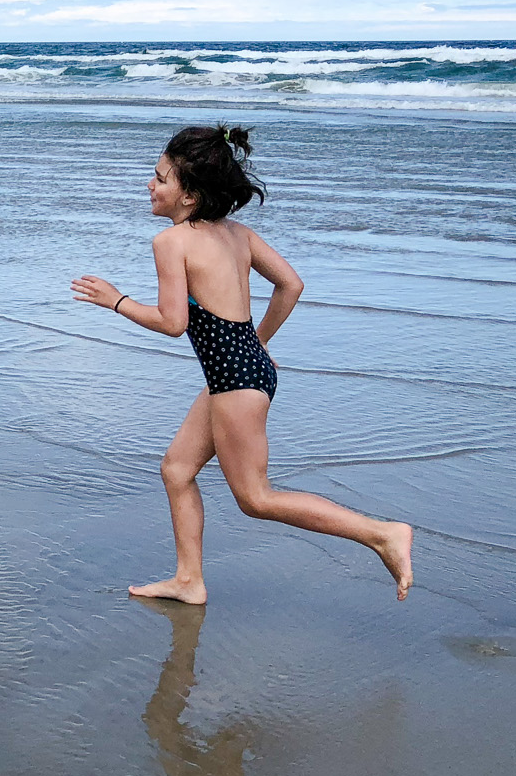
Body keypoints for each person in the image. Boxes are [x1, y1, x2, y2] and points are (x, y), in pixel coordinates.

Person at [71, 125, 413, 604]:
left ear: (188, 195)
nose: (150, 185)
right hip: (245, 371)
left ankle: (382, 534)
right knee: (176, 469)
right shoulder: (239, 234)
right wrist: (258, 340)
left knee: (256, 498)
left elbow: (173, 322)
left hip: (235, 380)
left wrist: (116, 300)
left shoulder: (171, 242)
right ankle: (188, 580)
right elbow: (291, 284)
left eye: (160, 179)